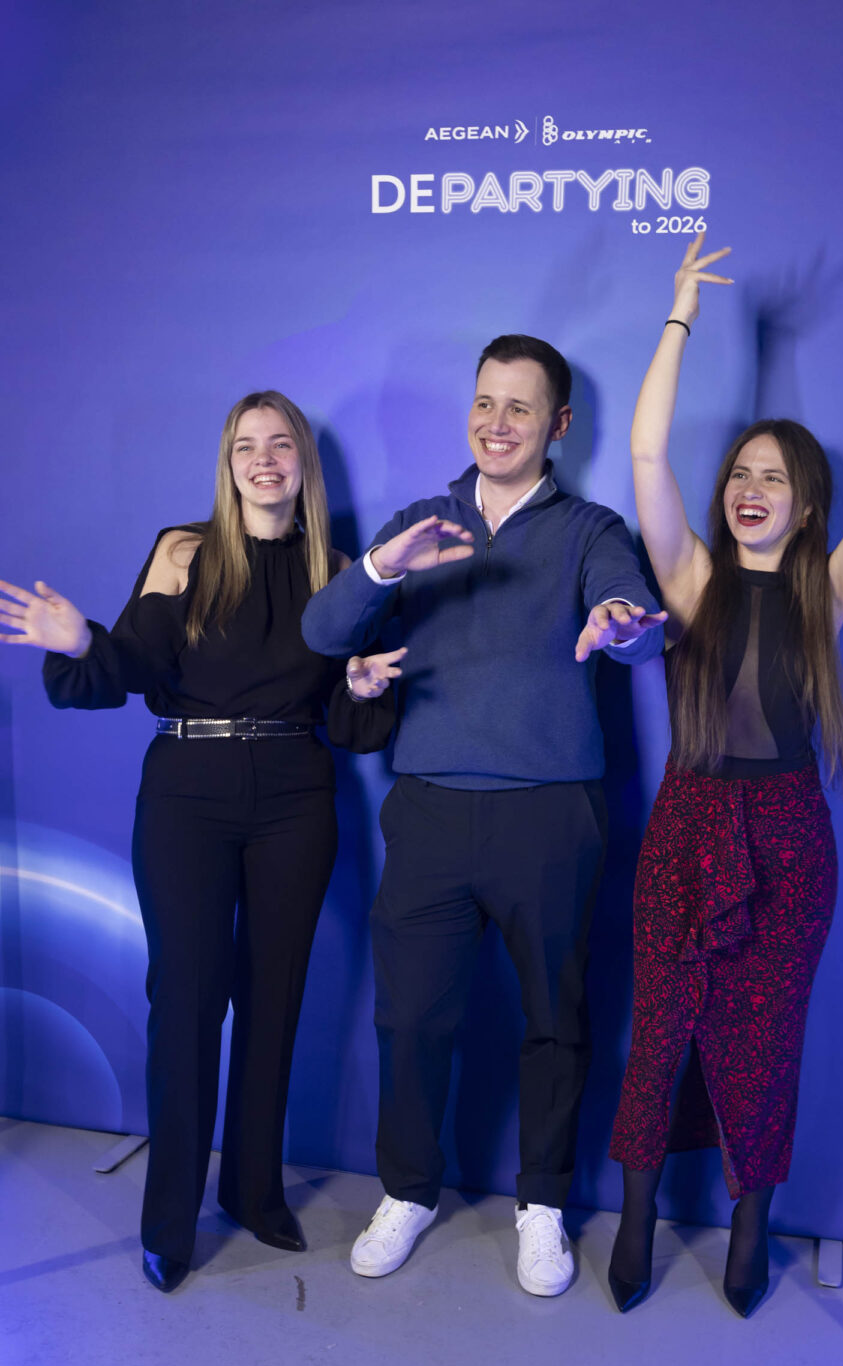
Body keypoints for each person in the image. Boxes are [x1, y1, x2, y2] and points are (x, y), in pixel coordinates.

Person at [0, 391, 399, 1294]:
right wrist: (81, 640)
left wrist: (364, 687)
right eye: (245, 447)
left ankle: (255, 1192)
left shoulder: (339, 570)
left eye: (280, 444)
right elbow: (135, 664)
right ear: (227, 465)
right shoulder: (184, 551)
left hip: (296, 793)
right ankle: (169, 1221)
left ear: (303, 462)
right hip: (188, 791)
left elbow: (348, 718)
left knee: (274, 998)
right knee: (185, 1001)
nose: (264, 460)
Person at [301, 334, 666, 1297]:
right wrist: (383, 567)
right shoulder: (420, 524)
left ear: (559, 424)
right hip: (428, 811)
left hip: (550, 815)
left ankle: (542, 1204)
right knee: (410, 1019)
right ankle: (407, 1190)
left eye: (519, 407)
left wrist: (618, 624)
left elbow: (631, 619)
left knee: (556, 1020)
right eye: (484, 403)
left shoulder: (589, 529)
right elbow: (323, 631)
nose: (496, 424)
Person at [607, 238, 843, 1316]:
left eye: (774, 478)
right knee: (660, 1031)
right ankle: (638, 1214)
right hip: (686, 826)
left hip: (792, 840)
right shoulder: (690, 578)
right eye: (741, 474)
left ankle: (752, 1225)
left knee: (765, 1043)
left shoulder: (823, 596)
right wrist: (681, 318)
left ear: (805, 505)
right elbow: (646, 456)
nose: (751, 489)